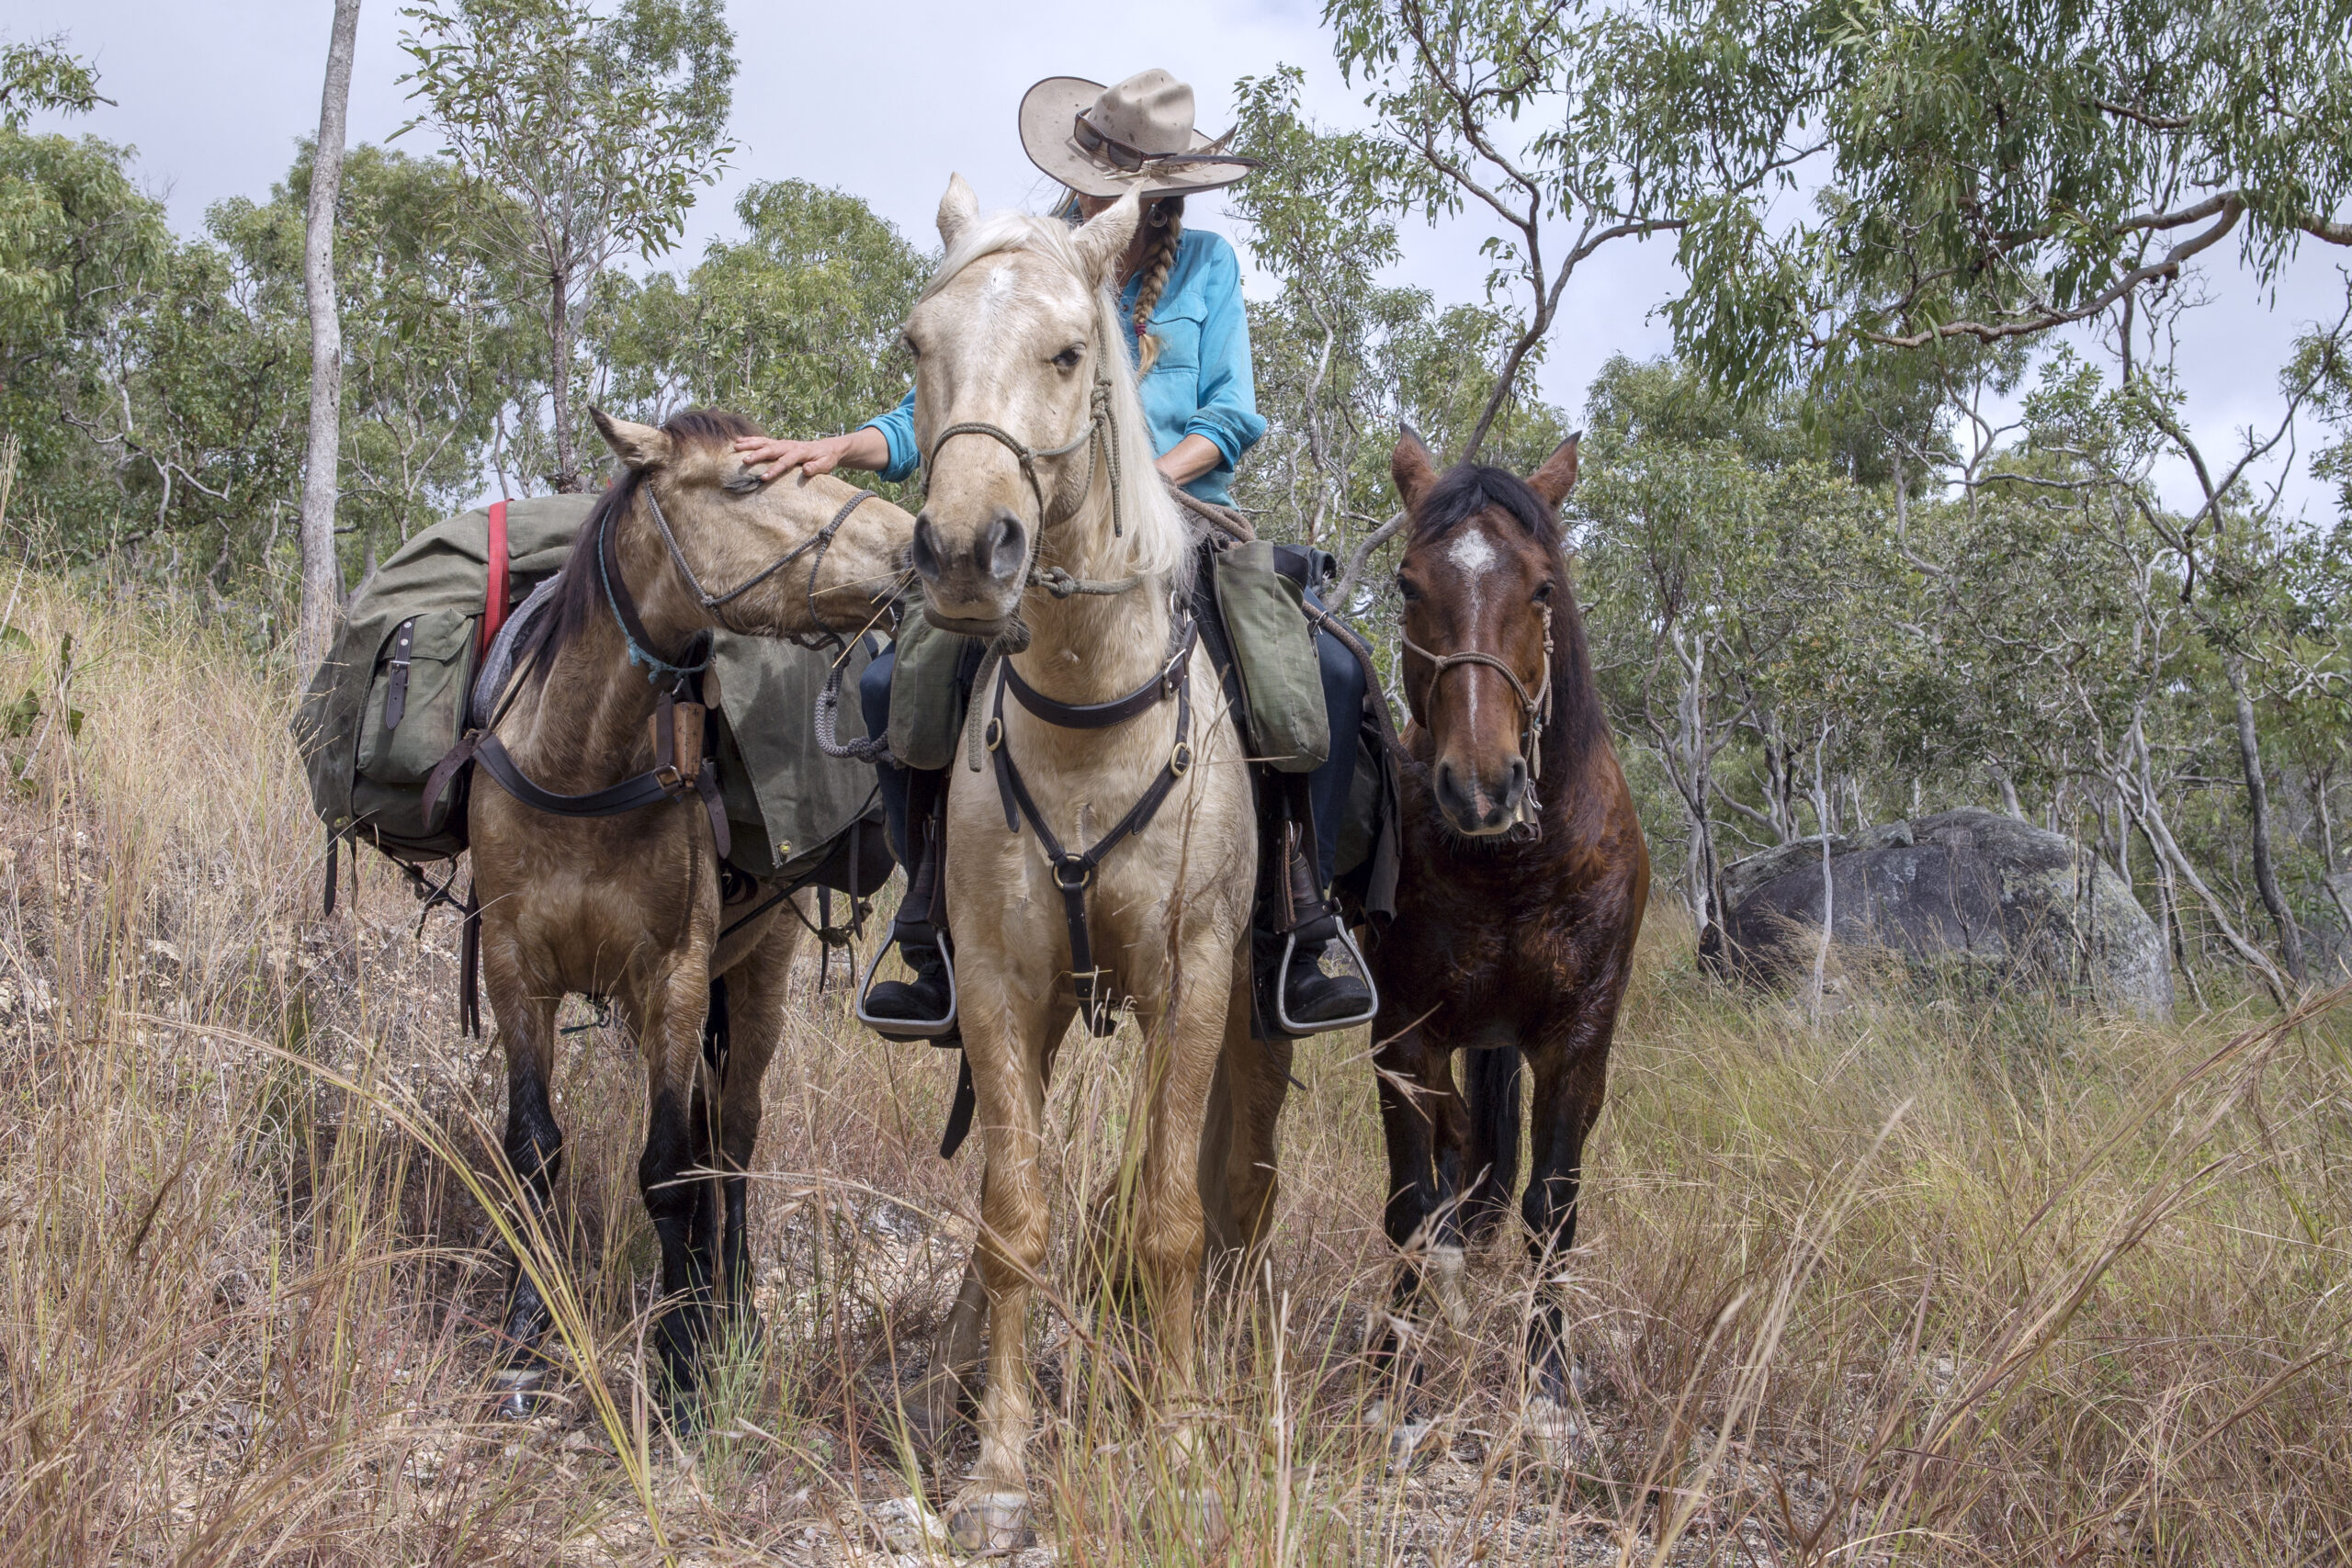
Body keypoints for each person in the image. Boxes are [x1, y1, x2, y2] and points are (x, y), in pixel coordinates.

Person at [734, 69, 1372, 1034]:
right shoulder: (1020, 264)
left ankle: (1298, 920)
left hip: (1181, 518)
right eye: (1099, 169)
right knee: (888, 689)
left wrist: (1148, 483)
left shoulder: (1206, 267)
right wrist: (839, 449)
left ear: (1168, 187)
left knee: (1319, 674)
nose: (1109, 189)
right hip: (1031, 527)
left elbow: (1231, 416)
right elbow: (939, 411)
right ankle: (929, 926)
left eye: (1133, 176)